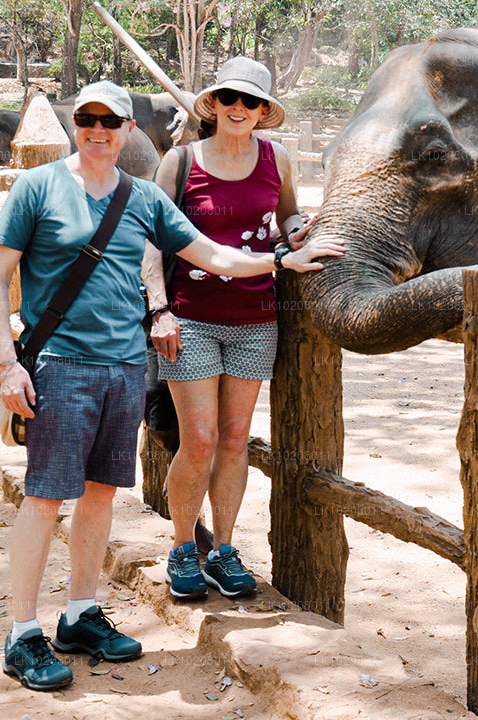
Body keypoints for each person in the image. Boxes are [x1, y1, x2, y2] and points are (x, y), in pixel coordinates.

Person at [0, 80, 342, 692]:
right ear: (77, 125)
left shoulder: (142, 196)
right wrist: (10, 363)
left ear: (129, 130)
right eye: (87, 118)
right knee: (45, 500)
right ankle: (20, 633)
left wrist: (280, 261)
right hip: (60, 366)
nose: (98, 129)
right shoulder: (37, 187)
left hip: (125, 366)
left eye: (110, 120)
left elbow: (213, 255)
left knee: (99, 496)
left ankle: (79, 615)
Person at [144, 56, 307, 601]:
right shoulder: (181, 162)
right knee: (201, 440)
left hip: (256, 319)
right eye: (230, 99)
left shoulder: (278, 159)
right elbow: (151, 243)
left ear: (264, 112)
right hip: (188, 318)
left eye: (252, 101)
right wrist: (159, 309)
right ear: (213, 105)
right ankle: (183, 548)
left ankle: (226, 550)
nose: (240, 108)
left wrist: (300, 231)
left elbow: (287, 217)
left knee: (235, 439)